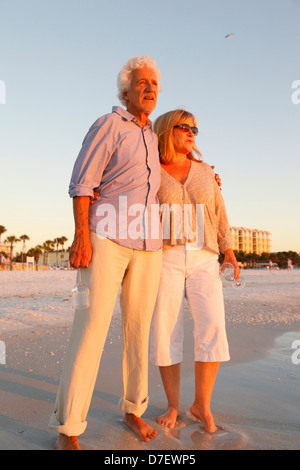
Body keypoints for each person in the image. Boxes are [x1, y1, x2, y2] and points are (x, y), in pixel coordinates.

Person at [48, 56, 164, 449]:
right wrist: (81, 233)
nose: (149, 88)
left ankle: (134, 409)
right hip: (106, 238)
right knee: (90, 331)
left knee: (138, 333)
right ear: (126, 90)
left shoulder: (152, 136)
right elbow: (82, 182)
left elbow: (175, 167)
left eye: (154, 83)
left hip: (149, 247)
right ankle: (69, 429)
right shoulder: (109, 124)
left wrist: (206, 171)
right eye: (142, 82)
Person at [149, 109, 240, 433]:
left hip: (204, 257)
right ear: (165, 130)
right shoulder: (151, 171)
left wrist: (228, 250)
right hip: (165, 258)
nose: (191, 133)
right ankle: (173, 405)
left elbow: (219, 210)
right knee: (166, 331)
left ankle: (201, 404)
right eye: (183, 127)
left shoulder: (204, 171)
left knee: (212, 327)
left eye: (195, 129)